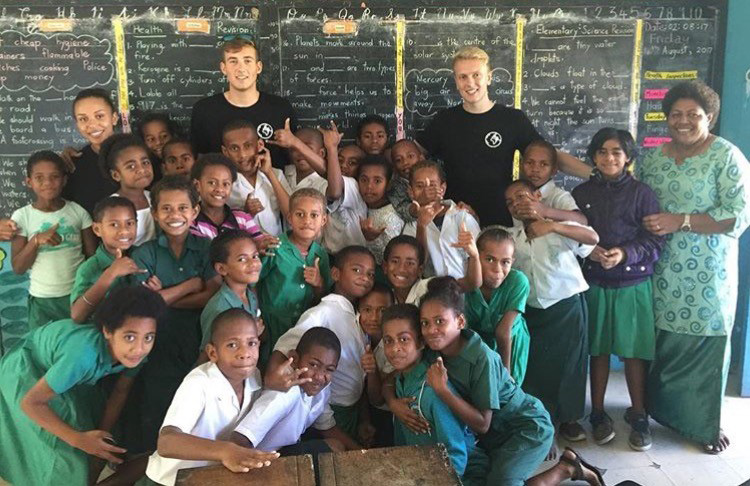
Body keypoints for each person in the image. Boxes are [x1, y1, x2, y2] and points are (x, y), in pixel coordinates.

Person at [636, 81, 750, 454]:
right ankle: (660, 413)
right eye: (676, 115)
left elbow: (737, 215)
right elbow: (636, 201)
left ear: (709, 117)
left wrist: (680, 220)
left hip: (709, 272)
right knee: (663, 341)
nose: (683, 122)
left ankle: (703, 425)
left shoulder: (726, 157)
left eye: (693, 115)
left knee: (704, 342)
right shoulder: (654, 158)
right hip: (661, 266)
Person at [386, 277, 553, 486]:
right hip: (490, 435)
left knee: (502, 481)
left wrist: (444, 391)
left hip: (523, 426)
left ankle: (561, 471)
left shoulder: (481, 357)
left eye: (440, 321)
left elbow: (483, 423)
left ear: (460, 321)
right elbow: (395, 375)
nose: (431, 330)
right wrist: (392, 403)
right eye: (424, 323)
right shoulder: (433, 348)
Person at [0, 286, 166, 486]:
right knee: (62, 454)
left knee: (91, 434)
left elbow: (120, 392)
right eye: (129, 337)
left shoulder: (136, 356)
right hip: (28, 370)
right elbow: (31, 403)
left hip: (64, 374)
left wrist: (100, 444)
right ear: (107, 331)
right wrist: (79, 440)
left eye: (148, 337)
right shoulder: (82, 355)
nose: (139, 349)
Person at [417, 46, 591, 227]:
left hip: (501, 219)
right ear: (456, 81)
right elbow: (412, 153)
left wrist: (594, 174)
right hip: (455, 219)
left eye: (476, 75)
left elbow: (549, 156)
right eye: (463, 77)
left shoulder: (512, 119)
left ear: (489, 77)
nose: (470, 83)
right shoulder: (445, 120)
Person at [572, 128, 664, 451]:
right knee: (597, 351)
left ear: (628, 157)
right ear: (593, 157)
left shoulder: (643, 193)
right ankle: (597, 414)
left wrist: (625, 253)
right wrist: (591, 251)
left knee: (634, 352)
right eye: (602, 151)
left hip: (633, 283)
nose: (609, 158)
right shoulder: (581, 192)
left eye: (616, 152)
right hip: (594, 282)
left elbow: (655, 239)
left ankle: (638, 415)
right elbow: (573, 234)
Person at [124, 176, 221, 453]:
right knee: (158, 405)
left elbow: (211, 295)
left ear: (195, 212)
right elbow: (144, 304)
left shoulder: (207, 249)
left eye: (182, 208)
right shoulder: (145, 253)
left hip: (201, 337)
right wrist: (190, 286)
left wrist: (164, 295)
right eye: (166, 208)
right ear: (154, 213)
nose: (174, 215)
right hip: (158, 343)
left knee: (199, 406)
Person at [505, 179, 598, 452]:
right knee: (538, 368)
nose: (516, 205)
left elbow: (593, 238)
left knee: (571, 365)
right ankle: (542, 417)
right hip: (534, 310)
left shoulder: (560, 229)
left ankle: (569, 419)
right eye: (510, 202)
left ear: (536, 196)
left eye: (521, 197)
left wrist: (552, 223)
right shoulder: (512, 236)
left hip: (566, 304)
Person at [144, 308, 279, 486]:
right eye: (232, 345)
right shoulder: (199, 382)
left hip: (209, 476)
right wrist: (226, 450)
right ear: (213, 353)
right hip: (170, 480)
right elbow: (167, 442)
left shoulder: (254, 376)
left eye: (252, 343)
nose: (244, 353)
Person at [265, 246, 376, 447]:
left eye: (370, 274)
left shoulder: (357, 316)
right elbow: (287, 343)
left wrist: (364, 417)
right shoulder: (324, 311)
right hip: (330, 410)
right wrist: (273, 376)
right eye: (357, 270)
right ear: (335, 274)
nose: (365, 278)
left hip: (352, 407)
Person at [381, 304, 487, 484]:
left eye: (404, 339)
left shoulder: (432, 391)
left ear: (421, 342)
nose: (394, 348)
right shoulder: (401, 381)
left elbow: (456, 456)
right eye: (388, 341)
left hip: (461, 475)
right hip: (424, 471)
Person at [11, 151, 97, 329]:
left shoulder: (78, 212)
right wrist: (36, 241)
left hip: (76, 296)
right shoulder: (22, 216)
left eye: (54, 177)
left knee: (76, 344)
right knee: (43, 349)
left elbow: (92, 258)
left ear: (64, 180)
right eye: (39, 178)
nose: (48, 183)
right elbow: (18, 267)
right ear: (29, 182)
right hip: (42, 300)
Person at [232, 327, 348, 454]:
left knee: (336, 445)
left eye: (329, 369)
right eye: (313, 365)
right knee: (335, 447)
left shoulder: (321, 390)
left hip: (285, 449)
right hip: (264, 457)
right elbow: (239, 440)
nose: (320, 376)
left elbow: (326, 425)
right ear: (294, 359)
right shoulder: (284, 394)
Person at [190, 36, 296, 168]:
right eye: (233, 61)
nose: (241, 68)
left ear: (258, 67)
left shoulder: (280, 108)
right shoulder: (204, 110)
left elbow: (293, 162)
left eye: (247, 61)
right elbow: (200, 163)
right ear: (223, 68)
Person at [256, 188, 332, 364]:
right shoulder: (275, 248)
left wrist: (319, 283)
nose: (307, 221)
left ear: (324, 220)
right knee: (268, 366)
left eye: (314, 215)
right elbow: (253, 282)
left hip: (301, 325)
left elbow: (324, 296)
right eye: (300, 214)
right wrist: (257, 316)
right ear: (290, 218)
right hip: (271, 323)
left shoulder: (321, 254)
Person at [322, 122, 404, 263]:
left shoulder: (392, 214)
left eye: (377, 181)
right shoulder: (361, 198)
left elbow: (390, 259)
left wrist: (371, 239)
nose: (369, 187)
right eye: (364, 180)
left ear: (389, 183)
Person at [464, 227, 530, 385]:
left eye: (505, 262)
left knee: (510, 390)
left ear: (512, 262)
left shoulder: (518, 282)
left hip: (511, 345)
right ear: (475, 258)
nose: (497, 269)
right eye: (490, 259)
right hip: (480, 347)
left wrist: (505, 374)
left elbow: (503, 331)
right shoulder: (467, 285)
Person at [70, 197, 147, 323]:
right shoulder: (90, 268)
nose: (124, 231)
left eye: (130, 223)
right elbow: (77, 316)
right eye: (114, 225)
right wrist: (111, 273)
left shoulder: (143, 256)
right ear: (97, 229)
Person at [402, 160, 481, 279]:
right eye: (420, 186)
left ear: (443, 189)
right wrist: (421, 226)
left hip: (467, 290)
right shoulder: (411, 227)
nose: (427, 191)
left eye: (432, 185)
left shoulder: (462, 216)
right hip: (432, 292)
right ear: (411, 192)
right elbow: (418, 263)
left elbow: (480, 257)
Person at [188, 153, 276, 257]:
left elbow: (258, 240)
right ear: (197, 185)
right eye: (212, 183)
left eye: (225, 184)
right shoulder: (191, 220)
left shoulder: (242, 218)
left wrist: (263, 243)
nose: (219, 189)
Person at [222, 119, 292, 236]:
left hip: (278, 248)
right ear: (225, 151)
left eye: (248, 146)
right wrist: (245, 213)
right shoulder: (224, 181)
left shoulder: (276, 174)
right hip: (243, 249)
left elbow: (291, 215)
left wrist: (269, 172)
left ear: (259, 145)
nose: (242, 155)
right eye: (234, 148)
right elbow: (217, 222)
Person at [199, 230, 262, 357]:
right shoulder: (219, 308)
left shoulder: (250, 295)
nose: (253, 263)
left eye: (255, 256)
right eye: (242, 259)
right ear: (222, 269)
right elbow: (206, 356)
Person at [61, 88, 120, 215]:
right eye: (83, 119)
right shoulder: (73, 165)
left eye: (99, 116)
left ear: (114, 118)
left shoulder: (137, 156)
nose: (92, 125)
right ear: (77, 124)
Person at [99, 134, 156, 246]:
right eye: (131, 166)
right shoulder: (111, 207)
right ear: (116, 175)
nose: (141, 170)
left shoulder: (154, 198)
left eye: (145, 162)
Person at [358, 283, 395, 447]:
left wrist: (372, 370)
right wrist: (365, 419)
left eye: (383, 311)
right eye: (367, 310)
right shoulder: (357, 335)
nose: (374, 318)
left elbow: (378, 398)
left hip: (389, 415)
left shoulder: (394, 347)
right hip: (365, 410)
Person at [518, 140, 587, 225]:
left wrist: (545, 211)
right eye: (529, 163)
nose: (535, 169)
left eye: (543, 164)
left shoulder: (558, 196)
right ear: (521, 166)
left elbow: (581, 220)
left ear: (554, 170)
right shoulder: (515, 195)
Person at [388, 138, 424, 223]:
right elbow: (405, 212)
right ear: (394, 167)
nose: (405, 163)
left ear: (421, 158)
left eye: (410, 156)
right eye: (398, 160)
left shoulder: (431, 177)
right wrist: (418, 202)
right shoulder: (395, 188)